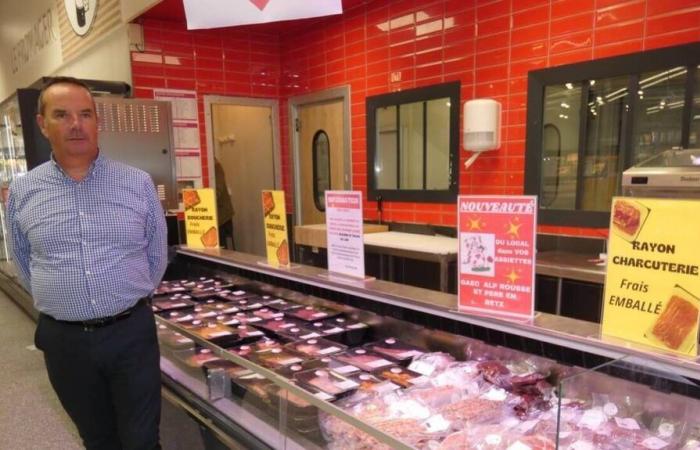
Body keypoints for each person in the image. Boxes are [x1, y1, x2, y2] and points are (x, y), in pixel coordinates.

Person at [7, 77, 167, 450]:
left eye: (85, 114)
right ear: (42, 124)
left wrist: (127, 294)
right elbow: (23, 261)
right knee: (96, 438)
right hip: (64, 341)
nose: (76, 124)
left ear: (98, 122)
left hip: (131, 334)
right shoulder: (23, 191)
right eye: (61, 115)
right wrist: (64, 299)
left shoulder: (137, 183)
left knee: (142, 439)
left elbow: (156, 256)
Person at [214, 156, 235, 250]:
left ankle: (222, 262)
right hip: (219, 213)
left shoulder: (217, 167)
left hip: (222, 214)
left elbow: (218, 189)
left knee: (222, 245)